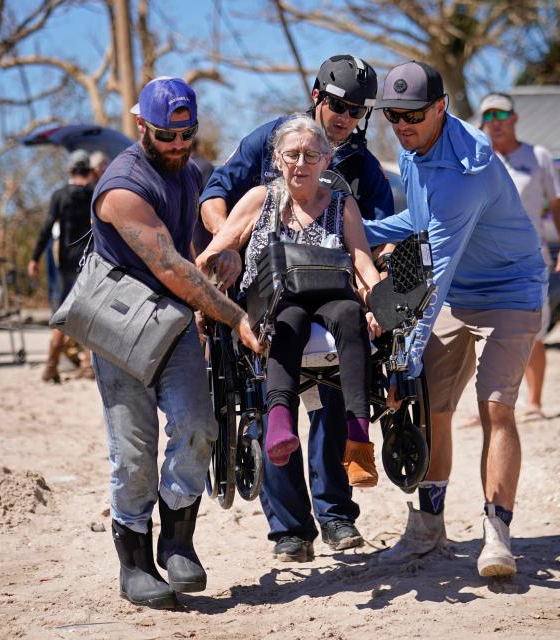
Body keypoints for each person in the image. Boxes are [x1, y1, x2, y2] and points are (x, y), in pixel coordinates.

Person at [199, 54, 395, 559]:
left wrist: (377, 285)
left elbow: (378, 240)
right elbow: (215, 195)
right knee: (271, 384)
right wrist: (233, 247)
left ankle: (335, 517)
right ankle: (289, 529)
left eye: (356, 110)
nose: (345, 116)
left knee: (333, 391)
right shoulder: (271, 140)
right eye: (337, 105)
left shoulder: (360, 168)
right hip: (270, 285)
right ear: (317, 97)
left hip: (333, 287)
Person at [361, 62, 547, 578]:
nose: (401, 124)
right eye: (392, 115)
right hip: (460, 290)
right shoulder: (415, 145)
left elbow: (434, 270)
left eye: (412, 114)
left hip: (510, 291)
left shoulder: (468, 172)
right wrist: (360, 227)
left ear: (441, 107)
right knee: (432, 407)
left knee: (496, 409)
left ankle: (498, 537)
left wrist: (405, 356)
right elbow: (423, 221)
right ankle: (427, 533)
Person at [89, 77, 262, 609]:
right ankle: (135, 563)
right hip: (121, 323)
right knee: (134, 448)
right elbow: (166, 263)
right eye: (168, 136)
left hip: (174, 321)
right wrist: (233, 317)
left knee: (198, 425)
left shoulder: (186, 172)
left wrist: (216, 256)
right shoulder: (122, 187)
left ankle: (178, 539)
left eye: (187, 135)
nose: (180, 146)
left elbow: (185, 246)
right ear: (141, 125)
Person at [198, 113, 383, 481]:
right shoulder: (259, 198)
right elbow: (210, 255)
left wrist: (379, 304)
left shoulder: (342, 204)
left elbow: (362, 263)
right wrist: (226, 258)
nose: (301, 163)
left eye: (311, 156)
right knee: (288, 320)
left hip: (331, 291)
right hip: (277, 297)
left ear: (326, 161)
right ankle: (280, 420)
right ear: (278, 160)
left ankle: (358, 438)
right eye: (293, 155)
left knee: (349, 313)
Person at [479, 93, 560, 419]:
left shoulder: (538, 157)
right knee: (485, 335)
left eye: (501, 116)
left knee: (532, 333)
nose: (496, 124)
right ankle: (488, 404)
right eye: (488, 117)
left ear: (514, 118)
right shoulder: (479, 161)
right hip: (487, 261)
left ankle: (534, 403)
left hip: (529, 261)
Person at [28, 150, 94, 382]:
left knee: (64, 313)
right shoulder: (94, 193)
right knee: (90, 312)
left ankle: (51, 364)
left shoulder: (60, 195)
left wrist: (34, 258)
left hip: (66, 262)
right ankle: (88, 365)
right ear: (89, 170)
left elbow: (47, 228)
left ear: (69, 170)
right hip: (90, 260)